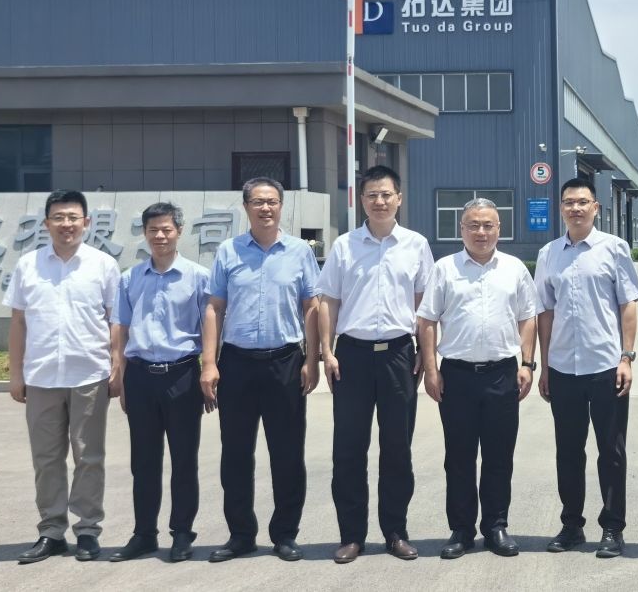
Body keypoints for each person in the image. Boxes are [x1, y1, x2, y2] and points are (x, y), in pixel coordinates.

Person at [317, 166, 434, 564]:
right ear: (361, 200)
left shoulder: (416, 245)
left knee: (397, 447)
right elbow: (328, 300)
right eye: (372, 195)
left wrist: (426, 353)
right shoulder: (345, 246)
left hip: (399, 354)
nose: (379, 201)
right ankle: (352, 536)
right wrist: (327, 351)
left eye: (386, 194)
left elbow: (424, 305)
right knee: (349, 448)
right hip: (352, 356)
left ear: (399, 198)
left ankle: (395, 532)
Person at [200, 177, 321, 563]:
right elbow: (214, 307)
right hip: (236, 363)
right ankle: (241, 535)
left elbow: (312, 307)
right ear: (246, 207)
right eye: (257, 202)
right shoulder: (229, 251)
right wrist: (209, 363)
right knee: (236, 453)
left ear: (281, 206)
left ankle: (285, 534)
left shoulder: (299, 252)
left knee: (288, 453)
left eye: (272, 202)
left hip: (285, 362)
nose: (265, 208)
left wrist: (312, 360)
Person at [417, 198, 539, 559]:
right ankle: (461, 529)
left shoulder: (514, 269)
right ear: (462, 229)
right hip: (457, 376)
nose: (481, 232)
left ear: (499, 229)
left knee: (499, 456)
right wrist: (431, 369)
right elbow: (427, 321)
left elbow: (528, 317)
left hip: (502, 374)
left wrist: (527, 364)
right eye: (473, 225)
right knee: (459, 456)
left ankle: (496, 526)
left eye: (488, 225)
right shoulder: (444, 268)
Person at [4, 189, 121, 564]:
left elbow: (116, 320)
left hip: (89, 374)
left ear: (86, 222)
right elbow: (18, 322)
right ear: (46, 223)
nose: (66, 224)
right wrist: (16, 373)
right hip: (41, 377)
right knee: (46, 458)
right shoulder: (28, 265)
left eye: (73, 217)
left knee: (89, 456)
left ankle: (87, 530)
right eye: (58, 217)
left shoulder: (103, 265)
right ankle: (52, 531)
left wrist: (116, 365)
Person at [535, 178, 638, 558]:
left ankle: (613, 528)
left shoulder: (614, 248)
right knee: (568, 451)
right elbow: (545, 312)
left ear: (596, 208)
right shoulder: (549, 254)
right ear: (561, 208)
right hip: (564, 367)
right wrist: (545, 366)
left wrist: (626, 357)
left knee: (611, 451)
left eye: (583, 202)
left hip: (605, 366)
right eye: (569, 202)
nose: (576, 208)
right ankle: (571, 525)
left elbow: (628, 304)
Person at [108, 202, 210, 563]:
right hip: (140, 376)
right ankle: (144, 534)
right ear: (145, 233)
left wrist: (210, 368)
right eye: (153, 230)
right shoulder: (130, 278)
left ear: (179, 231)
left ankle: (182, 533)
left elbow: (210, 327)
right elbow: (120, 328)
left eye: (167, 229)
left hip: (182, 374)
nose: (160, 236)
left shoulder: (198, 277)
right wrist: (120, 374)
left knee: (184, 460)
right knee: (144, 461)